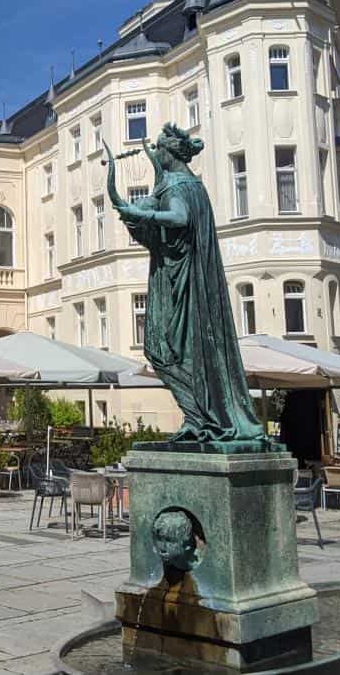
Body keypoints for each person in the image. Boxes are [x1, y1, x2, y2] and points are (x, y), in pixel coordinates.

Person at [105, 123, 267, 445]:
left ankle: (203, 417)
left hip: (181, 283)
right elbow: (156, 202)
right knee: (174, 351)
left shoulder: (179, 187)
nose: (157, 153)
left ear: (170, 153)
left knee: (161, 349)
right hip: (186, 277)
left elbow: (179, 218)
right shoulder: (188, 185)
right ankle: (200, 417)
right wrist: (136, 209)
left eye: (160, 149)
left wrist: (143, 215)